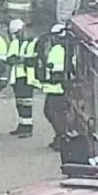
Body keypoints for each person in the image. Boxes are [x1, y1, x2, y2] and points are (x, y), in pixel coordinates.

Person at [6, 19, 41, 138]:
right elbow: (10, 59)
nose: (17, 35)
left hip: (28, 77)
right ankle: (22, 125)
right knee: (19, 102)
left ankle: (27, 128)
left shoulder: (34, 42)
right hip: (16, 77)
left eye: (18, 32)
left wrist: (21, 60)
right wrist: (22, 59)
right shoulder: (15, 43)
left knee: (26, 103)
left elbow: (34, 59)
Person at [42, 23, 73, 151]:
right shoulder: (64, 48)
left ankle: (62, 138)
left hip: (58, 87)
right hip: (56, 87)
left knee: (54, 113)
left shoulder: (59, 49)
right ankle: (60, 136)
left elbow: (57, 68)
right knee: (52, 112)